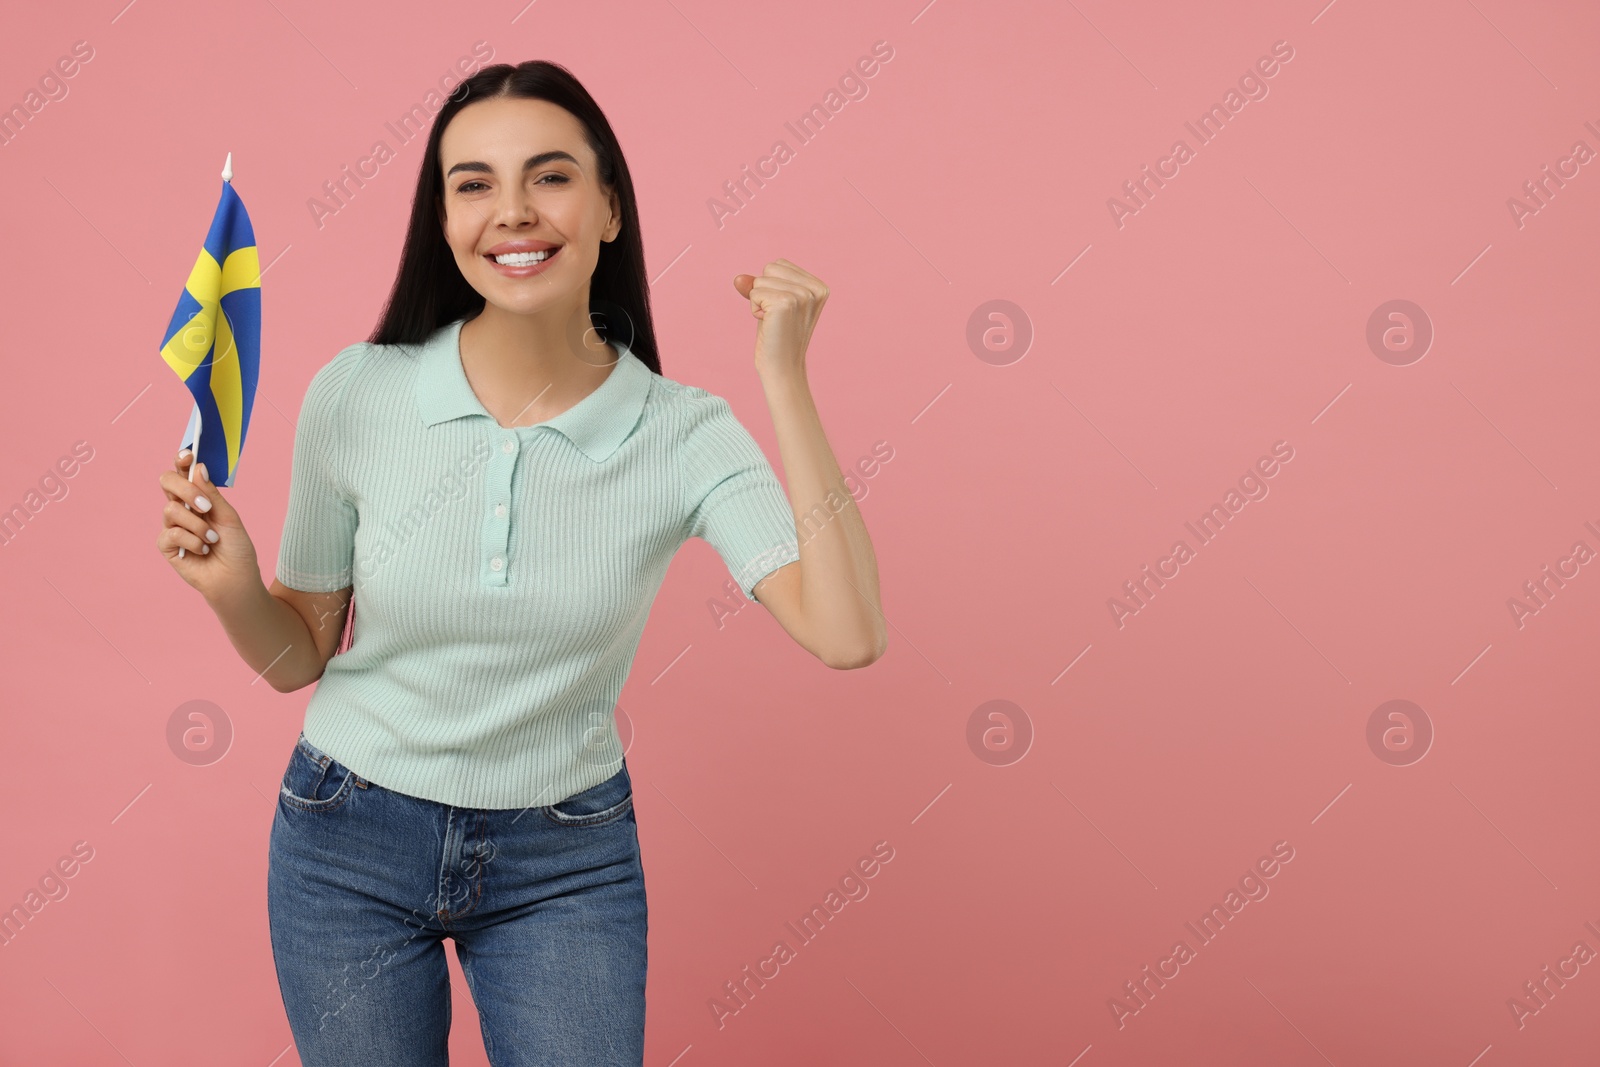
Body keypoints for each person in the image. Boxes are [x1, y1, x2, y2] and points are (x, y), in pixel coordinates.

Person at [154, 59, 885, 1066]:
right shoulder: (356, 393)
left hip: (563, 856)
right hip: (346, 837)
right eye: (472, 184)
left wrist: (784, 380)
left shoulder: (681, 433)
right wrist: (235, 583)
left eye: (548, 176)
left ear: (609, 206)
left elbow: (846, 632)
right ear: (442, 219)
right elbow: (299, 657)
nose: (512, 212)